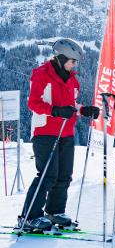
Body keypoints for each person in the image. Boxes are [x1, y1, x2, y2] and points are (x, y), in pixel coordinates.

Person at [18, 38, 100, 231]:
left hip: (66, 132)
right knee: (47, 175)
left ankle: (54, 212)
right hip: (45, 131)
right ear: (62, 57)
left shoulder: (73, 80)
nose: (74, 65)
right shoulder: (41, 75)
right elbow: (33, 103)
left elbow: (70, 107)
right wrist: (55, 111)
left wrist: (83, 110)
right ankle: (29, 216)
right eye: (72, 61)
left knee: (64, 175)